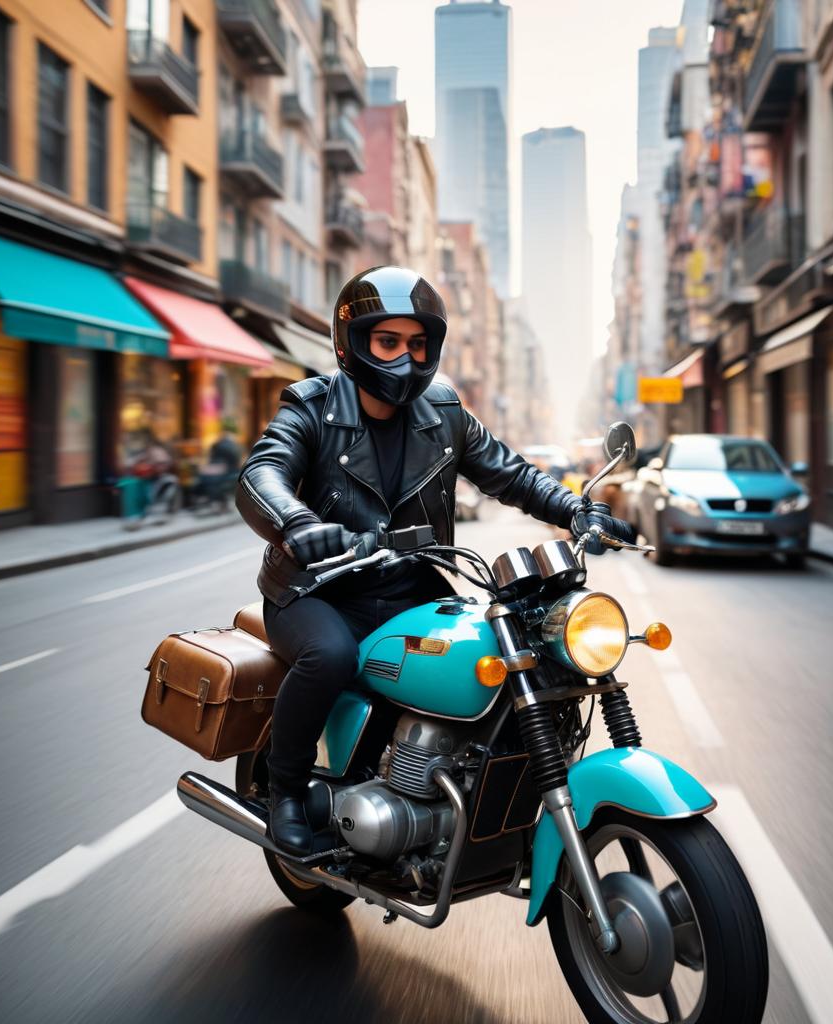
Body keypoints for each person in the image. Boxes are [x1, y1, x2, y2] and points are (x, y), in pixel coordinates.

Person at [236, 266, 634, 856]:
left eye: (417, 344)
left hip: (407, 583)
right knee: (330, 657)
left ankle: (455, 787)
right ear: (352, 345)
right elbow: (260, 473)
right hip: (316, 589)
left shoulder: (443, 412)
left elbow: (511, 473)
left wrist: (576, 510)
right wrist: (298, 523)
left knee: (494, 649)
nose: (404, 358)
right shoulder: (312, 407)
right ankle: (288, 791)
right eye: (388, 341)